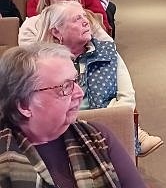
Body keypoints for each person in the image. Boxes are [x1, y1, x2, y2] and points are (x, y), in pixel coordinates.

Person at [0, 43, 146, 186]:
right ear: (24, 105)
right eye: (66, 87)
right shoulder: (5, 158)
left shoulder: (98, 137)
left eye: (76, 81)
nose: (80, 93)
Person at [35, 1, 164, 157]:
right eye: (76, 19)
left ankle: (135, 135)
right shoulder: (42, 62)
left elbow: (127, 96)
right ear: (56, 31)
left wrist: (115, 119)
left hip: (106, 126)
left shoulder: (107, 52)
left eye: (84, 16)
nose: (85, 21)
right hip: (61, 132)